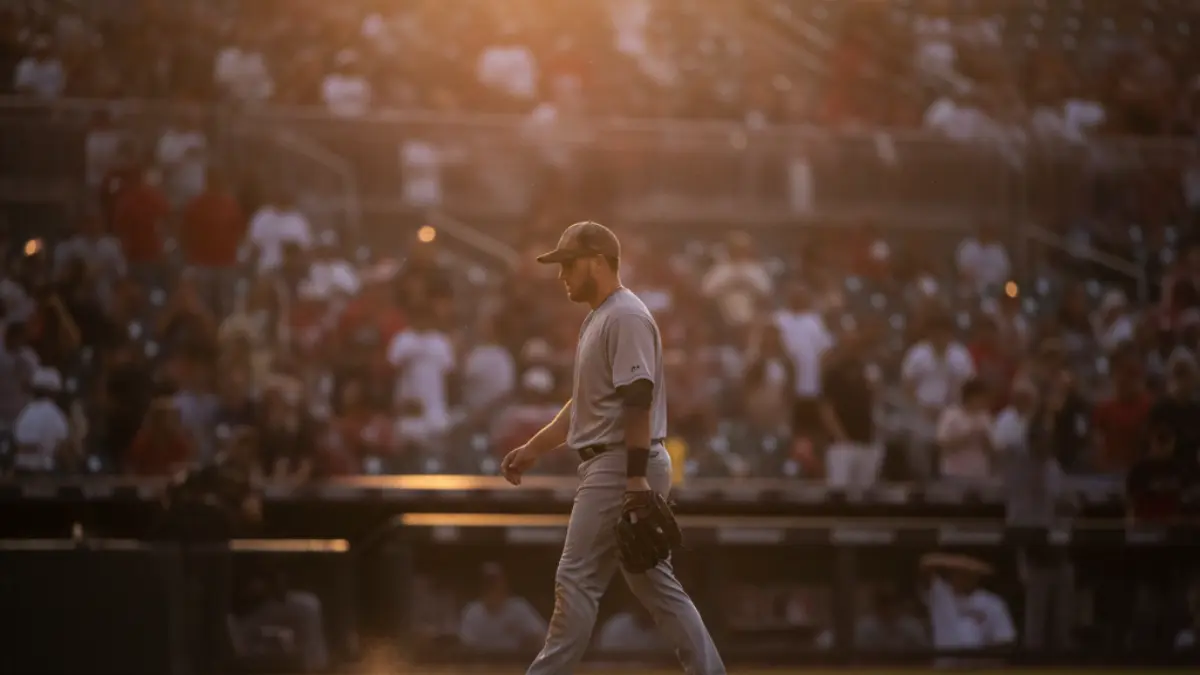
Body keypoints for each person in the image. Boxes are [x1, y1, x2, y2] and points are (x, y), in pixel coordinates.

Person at [499, 221, 725, 674]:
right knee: (655, 586)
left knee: (576, 578)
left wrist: (635, 477)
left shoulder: (624, 315)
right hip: (618, 459)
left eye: (569, 264)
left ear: (598, 262)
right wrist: (534, 447)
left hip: (620, 460)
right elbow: (585, 405)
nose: (562, 274)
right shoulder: (601, 315)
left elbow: (637, 397)